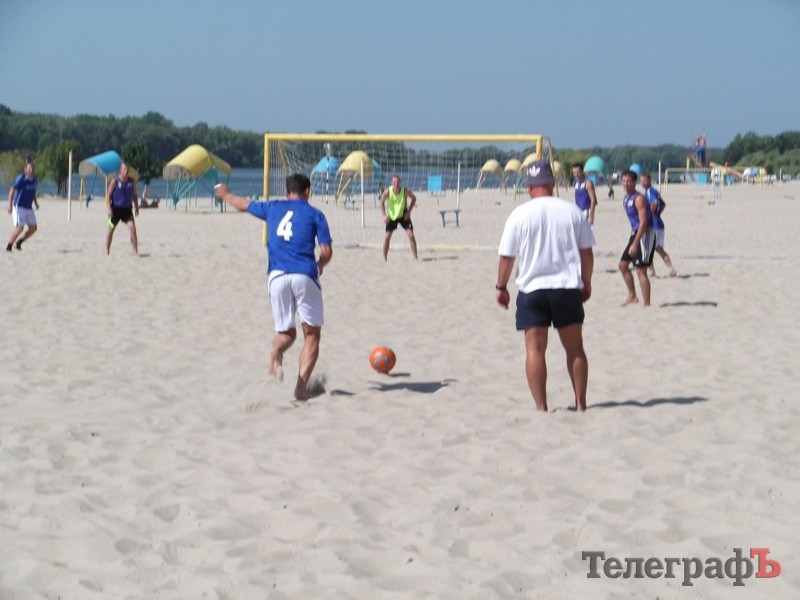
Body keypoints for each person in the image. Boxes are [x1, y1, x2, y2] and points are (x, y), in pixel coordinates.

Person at [214, 174, 333, 401]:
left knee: (286, 333)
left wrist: (226, 194)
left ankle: (276, 352)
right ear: (307, 191)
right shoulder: (316, 214)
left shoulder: (272, 207)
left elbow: (242, 204)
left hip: (277, 276)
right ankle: (300, 388)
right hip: (304, 275)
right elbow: (326, 252)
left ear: (287, 193)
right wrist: (320, 266)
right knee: (311, 335)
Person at [496, 160, 595, 412]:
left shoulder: (519, 214)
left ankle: (541, 407)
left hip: (532, 288)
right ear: (552, 183)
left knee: (535, 350)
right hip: (566, 286)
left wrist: (501, 287)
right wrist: (586, 281)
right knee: (574, 348)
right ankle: (581, 403)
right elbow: (587, 253)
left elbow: (507, 257)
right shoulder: (572, 211)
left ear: (529, 186)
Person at [618, 169, 656, 306]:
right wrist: (633, 240)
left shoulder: (639, 198)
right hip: (635, 233)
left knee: (641, 270)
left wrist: (635, 243)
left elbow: (643, 223)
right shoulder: (626, 198)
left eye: (628, 181)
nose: (625, 183)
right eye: (623, 181)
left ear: (634, 182)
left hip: (645, 235)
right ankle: (632, 295)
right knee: (623, 265)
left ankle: (647, 304)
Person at [641, 172, 677, 278]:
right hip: (659, 224)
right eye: (641, 181)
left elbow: (655, 203)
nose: (642, 183)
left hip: (654, 225)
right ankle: (671, 269)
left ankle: (652, 271)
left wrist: (651, 215)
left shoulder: (650, 191)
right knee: (658, 248)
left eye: (644, 180)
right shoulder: (654, 191)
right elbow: (663, 204)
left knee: (647, 249)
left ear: (649, 180)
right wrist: (658, 213)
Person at [379, 175, 418, 261]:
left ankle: (415, 257)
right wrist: (384, 216)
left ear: (400, 182)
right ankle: (384, 258)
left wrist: (409, 212)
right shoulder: (387, 192)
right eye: (394, 182)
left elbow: (414, 198)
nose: (396, 184)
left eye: (397, 182)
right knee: (387, 237)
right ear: (391, 183)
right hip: (392, 216)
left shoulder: (405, 191)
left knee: (411, 235)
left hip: (403, 215)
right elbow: (381, 203)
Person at [105, 161, 140, 255]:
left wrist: (137, 206)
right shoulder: (115, 181)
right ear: (120, 170)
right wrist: (108, 208)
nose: (126, 171)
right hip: (115, 209)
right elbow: (108, 195)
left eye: (127, 169)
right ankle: (107, 250)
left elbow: (135, 195)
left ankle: (135, 250)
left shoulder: (131, 181)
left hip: (127, 209)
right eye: (124, 169)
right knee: (111, 229)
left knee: (132, 228)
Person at [7, 159, 39, 252]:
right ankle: (9, 246)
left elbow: (32, 193)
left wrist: (36, 203)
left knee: (33, 228)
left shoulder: (34, 180)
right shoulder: (21, 178)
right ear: (25, 169)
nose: (31, 170)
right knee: (20, 228)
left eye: (32, 168)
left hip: (28, 207)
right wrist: (9, 204)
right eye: (29, 168)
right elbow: (12, 190)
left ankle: (19, 242)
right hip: (19, 206)